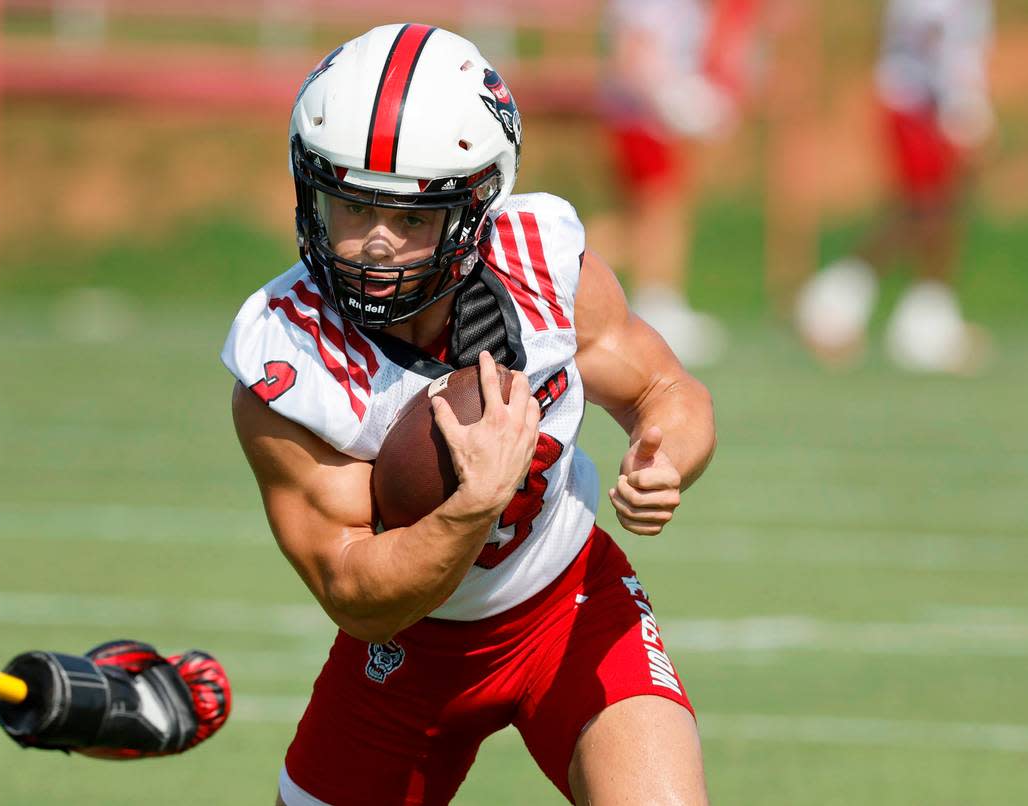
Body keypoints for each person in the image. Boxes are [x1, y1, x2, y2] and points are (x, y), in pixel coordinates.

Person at [221, 24, 716, 805]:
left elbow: (668, 391)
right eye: (350, 206)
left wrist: (668, 456)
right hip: (405, 654)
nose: (374, 246)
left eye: (412, 218)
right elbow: (351, 589)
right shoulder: (286, 356)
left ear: (478, 207)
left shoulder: (543, 262)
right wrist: (471, 507)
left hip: (569, 603)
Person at [795, 0, 994, 373]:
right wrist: (961, 102)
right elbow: (932, 36)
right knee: (925, 209)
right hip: (917, 100)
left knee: (937, 211)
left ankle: (922, 321)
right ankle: (837, 305)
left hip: (932, 102)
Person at [598, 0, 760, 367]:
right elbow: (631, 57)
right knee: (658, 210)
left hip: (650, 117)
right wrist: (673, 99)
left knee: (656, 214)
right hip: (638, 116)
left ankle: (657, 300)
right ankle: (655, 302)